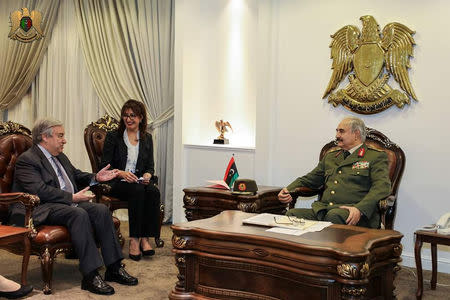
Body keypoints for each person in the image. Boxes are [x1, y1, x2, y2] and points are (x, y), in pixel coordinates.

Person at [10, 118, 138, 295]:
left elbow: (76, 175)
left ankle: (114, 268)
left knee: (101, 210)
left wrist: (96, 178)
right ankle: (90, 275)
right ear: (44, 137)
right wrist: (72, 197)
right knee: (77, 213)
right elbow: (39, 190)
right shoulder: (28, 160)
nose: (64, 140)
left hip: (64, 204)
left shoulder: (60, 156)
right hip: (40, 208)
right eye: (60, 136)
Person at [278, 117, 391, 228]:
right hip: (325, 210)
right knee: (291, 216)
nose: (337, 135)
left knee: (334, 216)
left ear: (356, 134)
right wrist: (288, 189)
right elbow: (311, 179)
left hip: (356, 214)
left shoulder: (375, 156)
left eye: (341, 131)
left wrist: (360, 209)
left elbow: (382, 188)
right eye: (337, 131)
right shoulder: (331, 157)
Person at [100, 99, 160, 261]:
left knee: (153, 191)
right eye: (125, 115)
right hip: (116, 182)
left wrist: (147, 175)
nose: (128, 119)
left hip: (138, 181)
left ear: (141, 118)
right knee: (137, 190)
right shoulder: (114, 137)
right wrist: (121, 173)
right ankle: (134, 240)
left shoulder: (147, 138)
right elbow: (104, 165)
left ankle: (145, 238)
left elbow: (150, 167)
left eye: (133, 115)